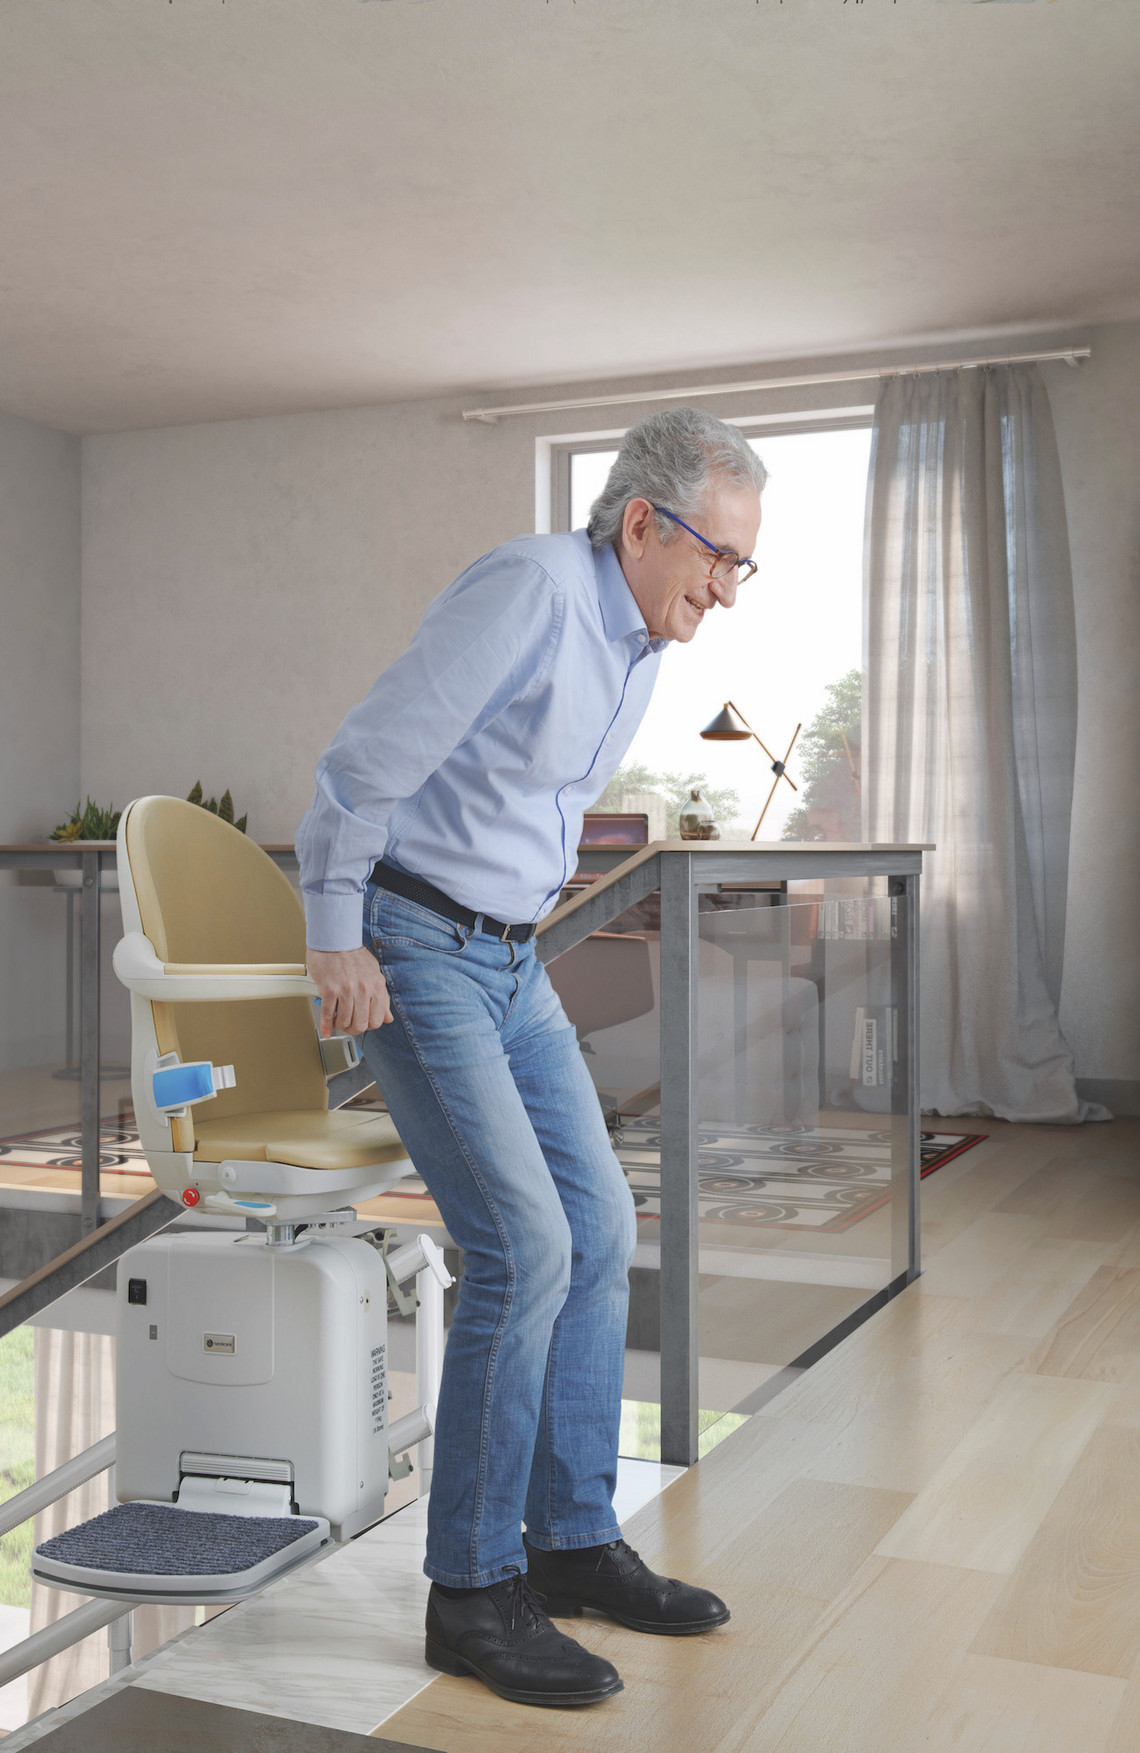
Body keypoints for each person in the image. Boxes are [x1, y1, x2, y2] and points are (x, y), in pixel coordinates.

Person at [297, 406, 766, 1709]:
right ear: (639, 523)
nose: (726, 590)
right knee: (524, 1245)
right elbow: (362, 762)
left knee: (603, 1225)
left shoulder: (638, 639)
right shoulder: (530, 592)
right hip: (418, 943)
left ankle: (568, 1540)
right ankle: (473, 1588)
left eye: (742, 567)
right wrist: (336, 932)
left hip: (510, 956)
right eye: (718, 559)